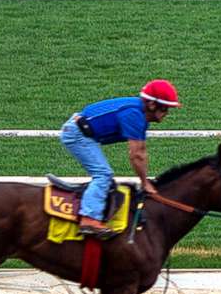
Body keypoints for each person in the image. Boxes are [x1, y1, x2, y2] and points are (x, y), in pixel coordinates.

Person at [59, 81, 181, 235]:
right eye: (165, 108)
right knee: (103, 174)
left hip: (81, 130)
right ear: (151, 104)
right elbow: (136, 155)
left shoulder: (139, 114)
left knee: (105, 174)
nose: (167, 113)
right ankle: (89, 219)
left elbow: (141, 151)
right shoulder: (134, 115)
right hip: (76, 134)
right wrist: (145, 183)